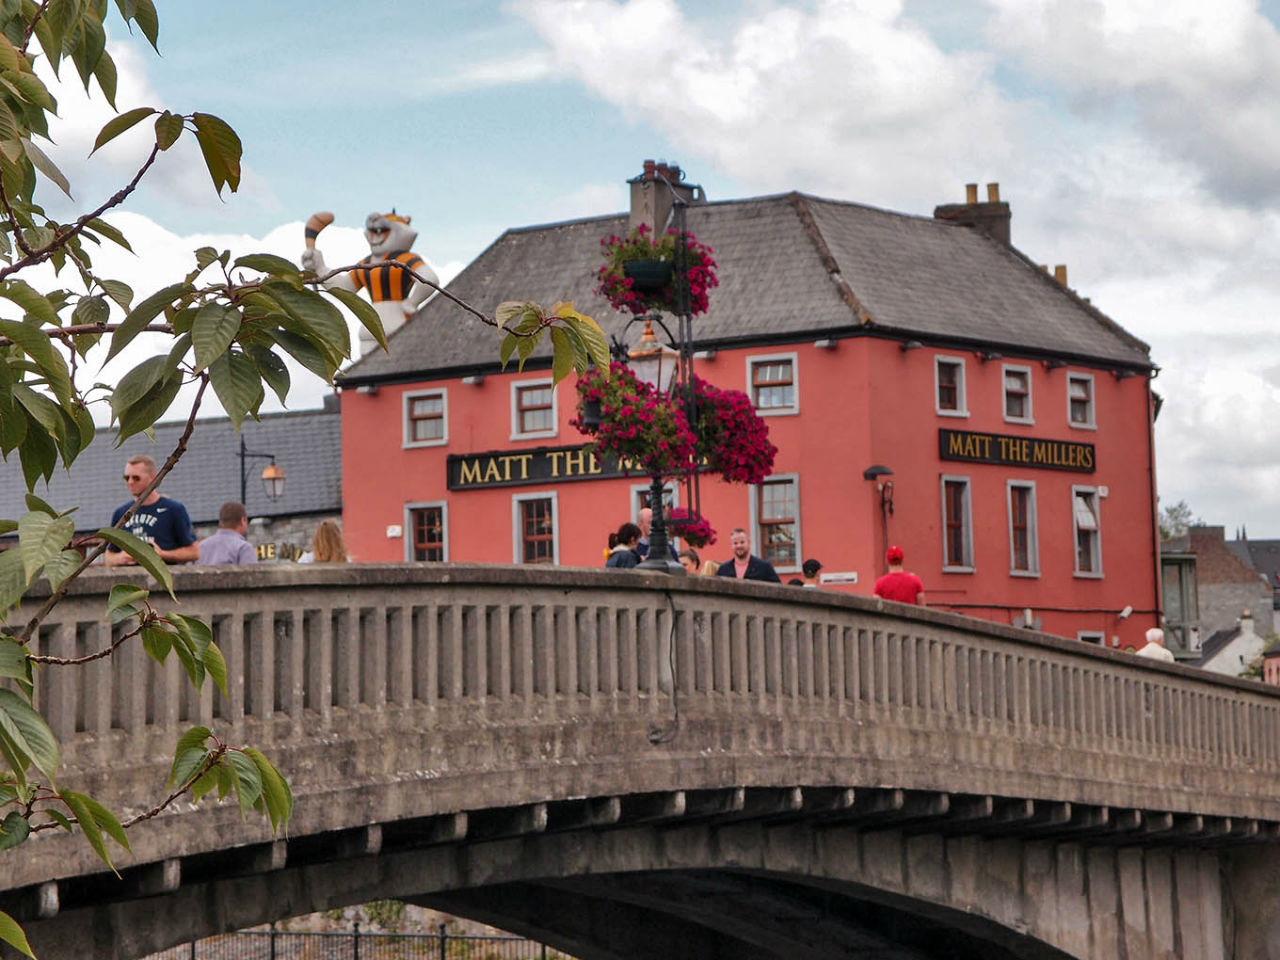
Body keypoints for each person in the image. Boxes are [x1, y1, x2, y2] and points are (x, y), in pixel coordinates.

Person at [106, 454, 199, 566]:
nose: (130, 482)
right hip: (130, 578)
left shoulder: (173, 509)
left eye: (136, 478)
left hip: (165, 577)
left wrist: (162, 555)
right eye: (126, 478)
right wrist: (121, 557)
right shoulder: (120, 513)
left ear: (152, 477)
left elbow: (194, 552)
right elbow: (109, 557)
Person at [715, 528, 781, 583]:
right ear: (731, 546)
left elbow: (778, 590)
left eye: (742, 542)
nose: (739, 546)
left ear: (749, 543)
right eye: (735, 543)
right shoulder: (723, 569)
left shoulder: (764, 567)